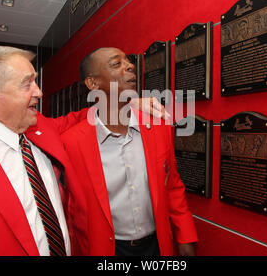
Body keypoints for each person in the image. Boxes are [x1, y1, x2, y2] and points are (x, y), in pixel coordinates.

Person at [0, 45, 167, 256]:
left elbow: (83, 117)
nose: (39, 91)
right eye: (28, 84)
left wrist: (129, 100)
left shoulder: (41, 129)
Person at [61, 47, 198, 256]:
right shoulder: (71, 143)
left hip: (157, 247)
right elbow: (70, 211)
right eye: (116, 64)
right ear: (93, 83)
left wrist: (185, 236)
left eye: (128, 61)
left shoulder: (158, 127)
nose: (130, 66)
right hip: (107, 250)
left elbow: (172, 186)